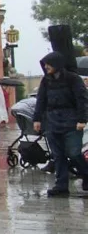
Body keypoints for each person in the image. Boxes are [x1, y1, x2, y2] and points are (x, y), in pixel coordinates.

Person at [32, 51, 88, 196]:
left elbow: (82, 100)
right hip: (52, 122)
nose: (46, 67)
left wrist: (82, 120)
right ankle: (61, 185)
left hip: (71, 122)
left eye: (48, 64)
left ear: (57, 64)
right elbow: (41, 100)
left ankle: (86, 175)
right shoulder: (46, 80)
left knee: (74, 153)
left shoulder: (73, 79)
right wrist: (37, 119)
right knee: (58, 155)